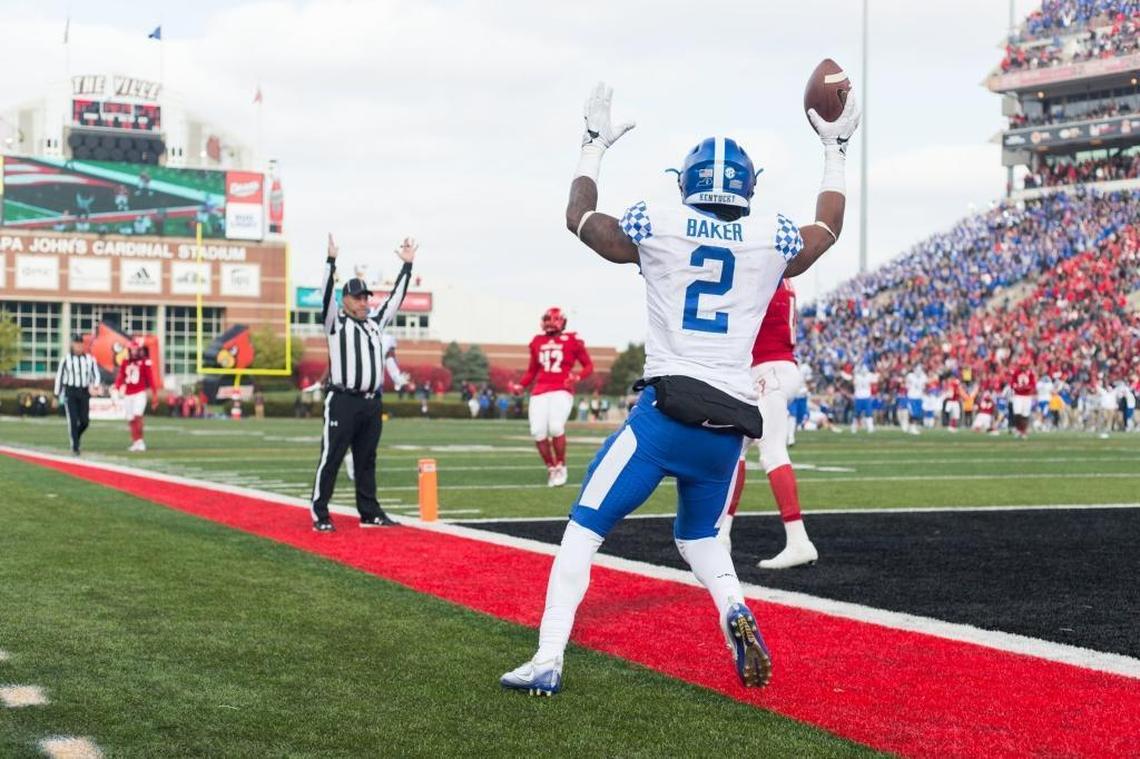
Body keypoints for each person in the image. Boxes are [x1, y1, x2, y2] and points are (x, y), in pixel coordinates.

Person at [500, 80, 859, 696]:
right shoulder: (768, 235)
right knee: (699, 537)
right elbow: (826, 230)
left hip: (664, 419)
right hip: (726, 427)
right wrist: (835, 149)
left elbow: (580, 219)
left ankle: (548, 655)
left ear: (685, 181)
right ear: (749, 185)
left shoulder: (659, 222)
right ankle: (733, 610)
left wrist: (592, 147)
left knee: (584, 530)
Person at [309, 233, 416, 532]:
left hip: (371, 401)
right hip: (343, 400)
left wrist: (407, 267)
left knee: (366, 459)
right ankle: (320, 512)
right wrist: (330, 261)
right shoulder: (335, 322)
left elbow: (395, 299)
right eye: (358, 297)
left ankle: (369, 511)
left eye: (366, 297)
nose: (364, 301)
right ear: (345, 301)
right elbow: (326, 293)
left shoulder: (374, 324)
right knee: (331, 456)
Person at [716, 279, 818, 569]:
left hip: (771, 367)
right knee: (735, 446)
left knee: (771, 450)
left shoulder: (767, 273)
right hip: (768, 367)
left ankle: (798, 540)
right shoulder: (780, 274)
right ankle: (722, 533)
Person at [518, 307, 594, 487]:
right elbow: (532, 371)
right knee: (537, 431)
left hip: (561, 388)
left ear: (561, 321)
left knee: (555, 426)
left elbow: (588, 366)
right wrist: (520, 386)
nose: (548, 322)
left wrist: (577, 377)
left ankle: (561, 464)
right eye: (546, 319)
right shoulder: (537, 341)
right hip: (539, 390)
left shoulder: (572, 340)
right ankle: (551, 468)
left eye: (551, 319)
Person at [54, 334, 101, 455]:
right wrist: (56, 395)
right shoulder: (66, 359)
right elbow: (59, 377)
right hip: (71, 391)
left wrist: (95, 386)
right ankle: (75, 446)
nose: (78, 347)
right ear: (72, 345)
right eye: (76, 344)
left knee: (85, 421)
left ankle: (76, 437)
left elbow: (96, 375)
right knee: (73, 420)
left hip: (84, 391)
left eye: (80, 344)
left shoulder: (90, 359)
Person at [112, 338, 159, 452]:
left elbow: (151, 379)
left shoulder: (144, 362)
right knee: (131, 419)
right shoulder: (125, 362)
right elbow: (121, 377)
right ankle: (135, 441)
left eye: (136, 349)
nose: (134, 351)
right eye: (132, 349)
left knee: (138, 416)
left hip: (139, 393)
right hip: (128, 394)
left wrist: (154, 395)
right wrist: (117, 387)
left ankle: (140, 441)